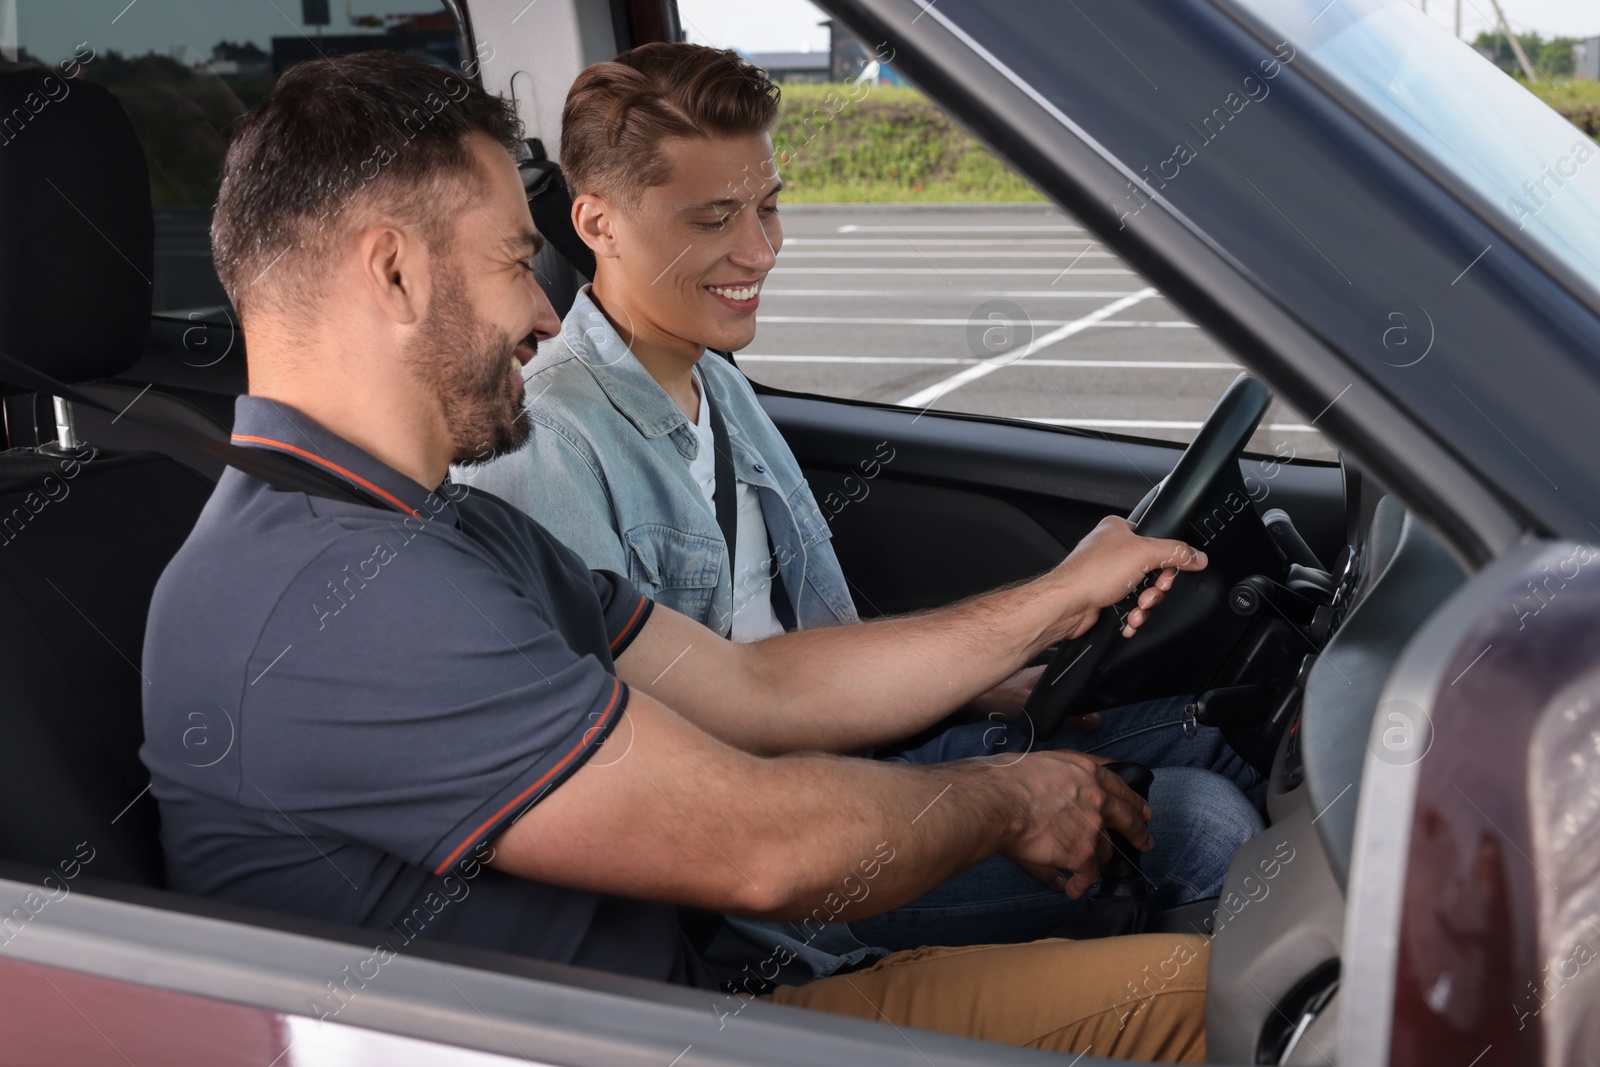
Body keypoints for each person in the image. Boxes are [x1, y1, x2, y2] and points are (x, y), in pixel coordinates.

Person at [140, 51, 1213, 1061]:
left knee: (1207, 972)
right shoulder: (334, 594)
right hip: (665, 1033)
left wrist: (1049, 605)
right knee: (1209, 997)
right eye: (517, 260)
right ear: (394, 271)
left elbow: (755, 684)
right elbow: (761, 846)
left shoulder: (432, 527)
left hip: (704, 994)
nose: (542, 313)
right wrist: (1011, 797)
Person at [453, 42, 1263, 963]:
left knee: (1219, 730)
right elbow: (652, 772)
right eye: (717, 216)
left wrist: (985, 684)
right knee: (1195, 825)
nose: (760, 249)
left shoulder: (719, 387)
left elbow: (795, 657)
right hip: (779, 855)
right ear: (596, 222)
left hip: (854, 760)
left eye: (768, 206)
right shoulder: (545, 443)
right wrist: (1048, 606)